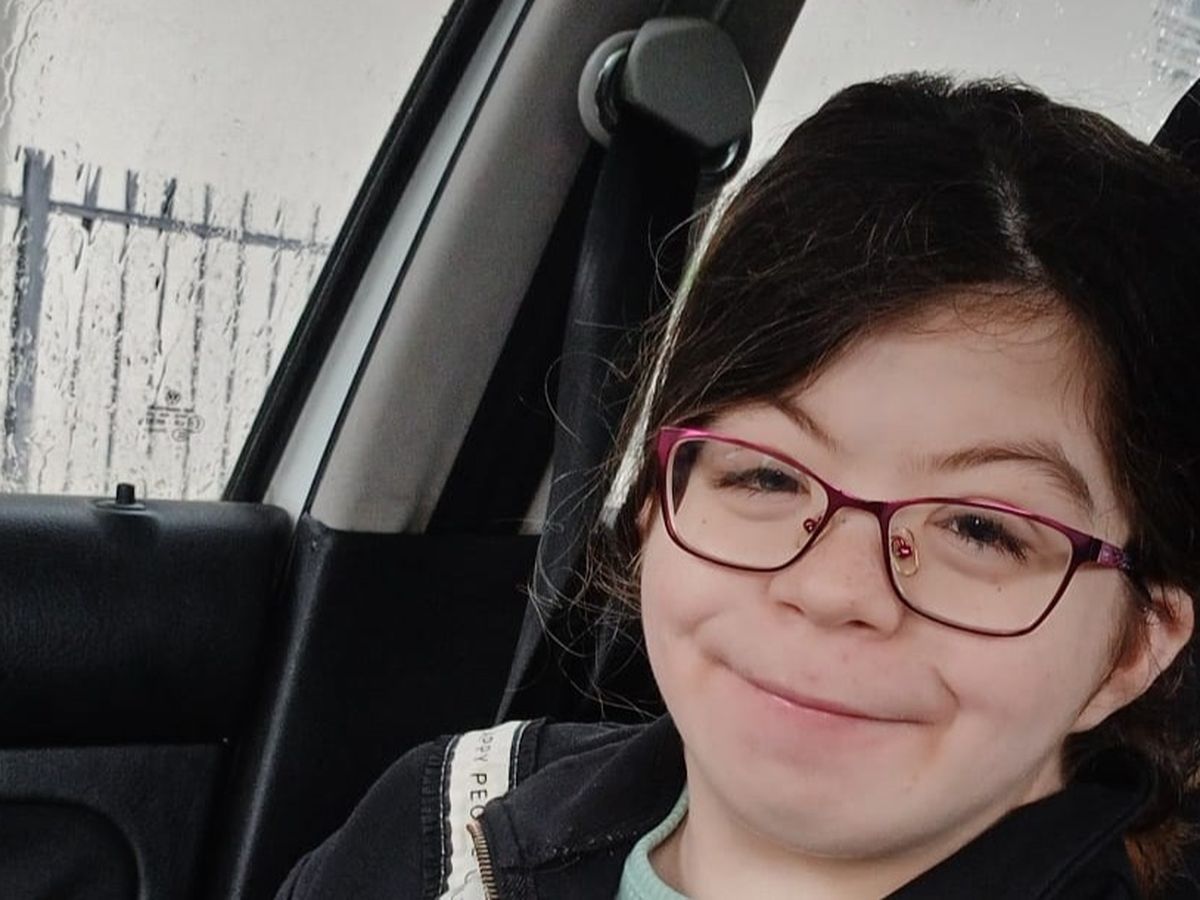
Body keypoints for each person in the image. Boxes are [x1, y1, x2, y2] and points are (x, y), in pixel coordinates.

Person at [276, 74, 1200, 899]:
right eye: (765, 474)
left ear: (1135, 647)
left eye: (981, 529)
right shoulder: (443, 827)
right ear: (653, 506)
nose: (832, 589)